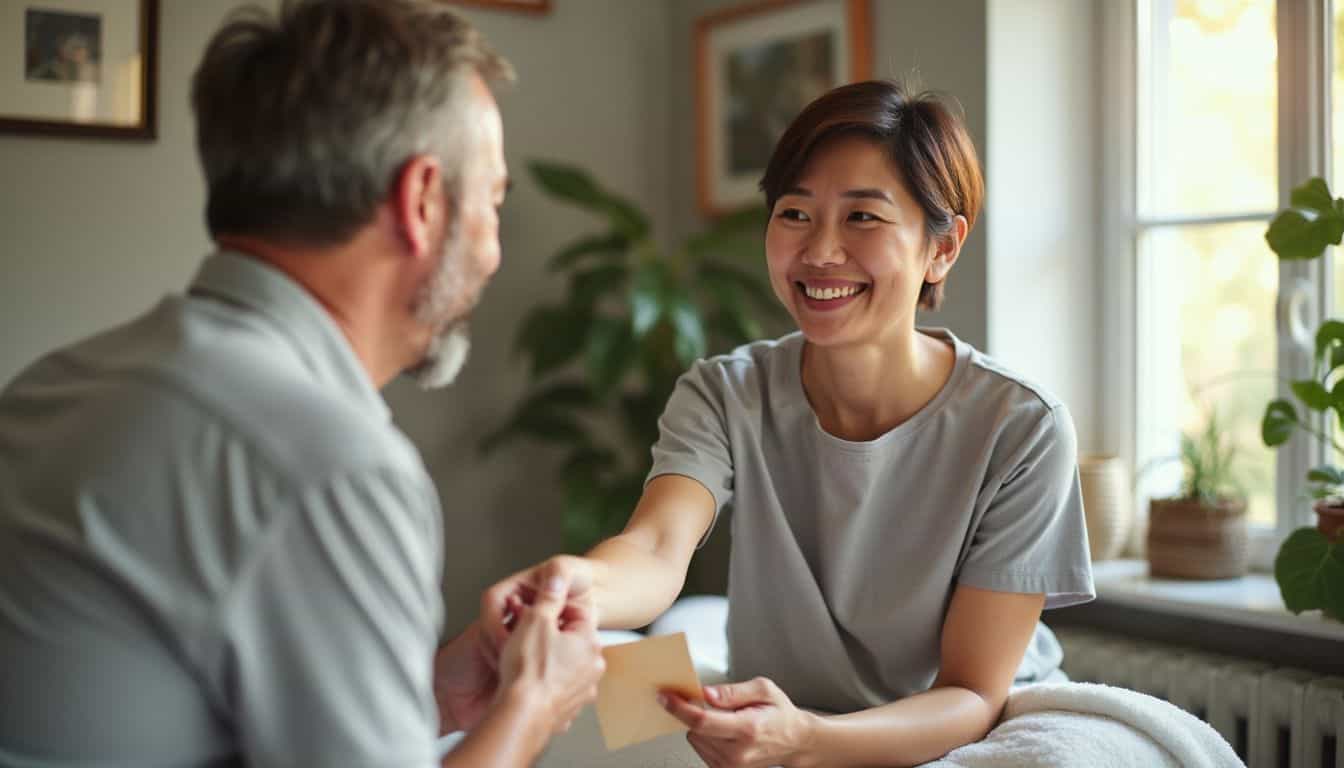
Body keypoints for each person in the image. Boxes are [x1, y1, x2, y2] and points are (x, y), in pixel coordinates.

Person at [0, 2, 603, 766]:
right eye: (491, 200)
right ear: (422, 202)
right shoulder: (330, 467)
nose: (491, 251)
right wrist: (535, 705)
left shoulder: (51, 387)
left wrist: (435, 697)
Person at [482, 80, 1095, 767]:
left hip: (940, 728)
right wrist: (572, 585)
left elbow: (973, 695)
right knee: (566, 707)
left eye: (863, 217)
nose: (820, 251)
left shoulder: (1021, 427)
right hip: (777, 704)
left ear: (942, 247)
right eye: (795, 213)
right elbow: (655, 549)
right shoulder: (725, 392)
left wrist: (807, 741)